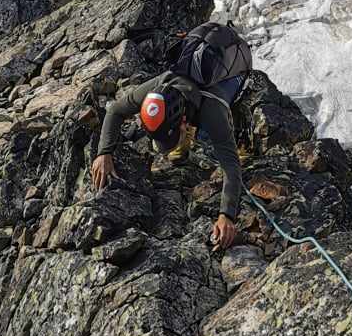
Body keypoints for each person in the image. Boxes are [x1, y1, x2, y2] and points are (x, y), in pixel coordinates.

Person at [90, 22, 252, 251]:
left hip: (236, 60)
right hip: (206, 40)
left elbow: (231, 165)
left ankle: (238, 128)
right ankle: (183, 140)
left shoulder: (212, 110)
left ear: (183, 122)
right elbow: (116, 109)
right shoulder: (160, 85)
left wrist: (227, 215)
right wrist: (104, 152)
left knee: (209, 134)